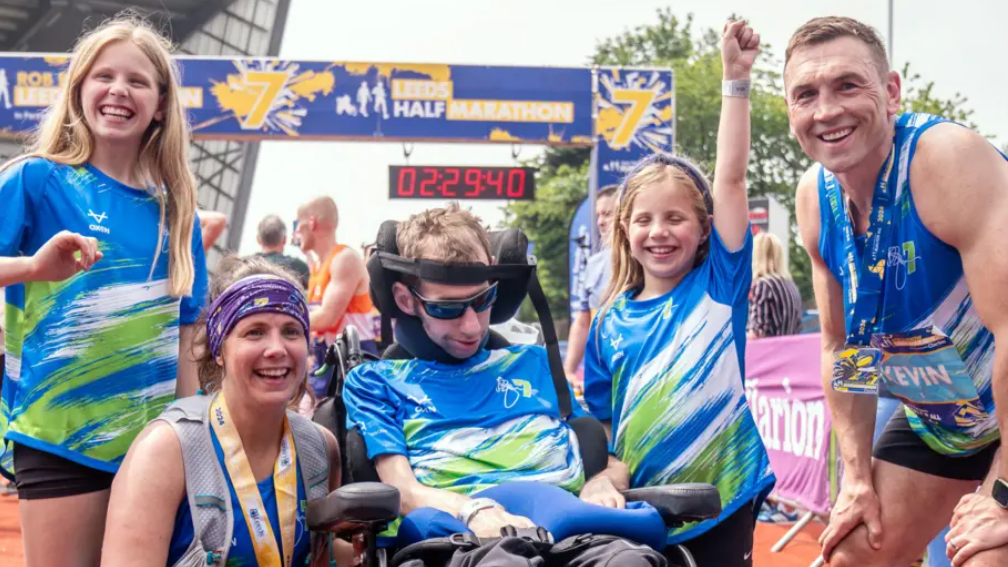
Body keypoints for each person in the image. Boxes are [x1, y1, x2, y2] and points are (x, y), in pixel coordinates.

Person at [786, 16, 1008, 567]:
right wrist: (857, 479)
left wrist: (1002, 493)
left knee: (983, 559)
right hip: (950, 423)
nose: (827, 110)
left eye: (847, 85)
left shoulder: (945, 161)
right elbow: (847, 348)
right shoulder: (815, 201)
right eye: (806, 94)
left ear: (890, 92)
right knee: (853, 554)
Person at [343, 203, 668, 565]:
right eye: (448, 308)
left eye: (483, 300)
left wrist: (605, 481)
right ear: (406, 299)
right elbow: (402, 488)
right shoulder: (375, 383)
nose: (472, 325)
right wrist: (474, 510)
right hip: (462, 541)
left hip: (580, 534)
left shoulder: (535, 364)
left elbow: (603, 456)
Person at [0, 15, 208, 567]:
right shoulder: (37, 179)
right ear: (79, 90)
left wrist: (190, 438)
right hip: (60, 434)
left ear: (161, 104)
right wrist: (32, 268)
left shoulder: (177, 211)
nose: (118, 91)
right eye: (103, 77)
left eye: (137, 81)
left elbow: (186, 334)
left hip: (153, 449)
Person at [584, 21, 774, 567]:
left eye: (675, 218)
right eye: (643, 219)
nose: (658, 231)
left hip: (723, 494)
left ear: (705, 229)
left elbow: (732, 180)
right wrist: (603, 476)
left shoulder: (720, 288)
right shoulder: (608, 321)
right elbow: (603, 426)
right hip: (640, 507)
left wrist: (734, 82)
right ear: (624, 231)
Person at [101, 256, 343, 567]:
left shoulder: (319, 449)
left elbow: (323, 558)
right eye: (254, 332)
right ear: (219, 349)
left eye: (291, 331)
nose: (276, 348)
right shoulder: (165, 450)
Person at [295, 196, 377, 385]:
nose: (297, 230)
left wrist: (281, 322)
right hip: (328, 356)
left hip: (352, 360)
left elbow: (327, 317)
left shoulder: (344, 259)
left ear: (312, 222)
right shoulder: (318, 265)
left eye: (299, 224)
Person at [563, 185, 617, 392]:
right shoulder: (594, 264)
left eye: (608, 214)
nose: (601, 222)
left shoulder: (646, 259)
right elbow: (583, 321)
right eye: (598, 215)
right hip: (601, 371)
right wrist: (568, 372)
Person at [747, 232, 802, 338]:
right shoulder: (791, 286)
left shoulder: (763, 286)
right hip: (790, 351)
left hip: (770, 352)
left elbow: (757, 333)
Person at [256, 213, 310, 289]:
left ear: (258, 240)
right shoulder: (298, 267)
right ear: (284, 240)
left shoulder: (244, 264)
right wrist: (308, 253)